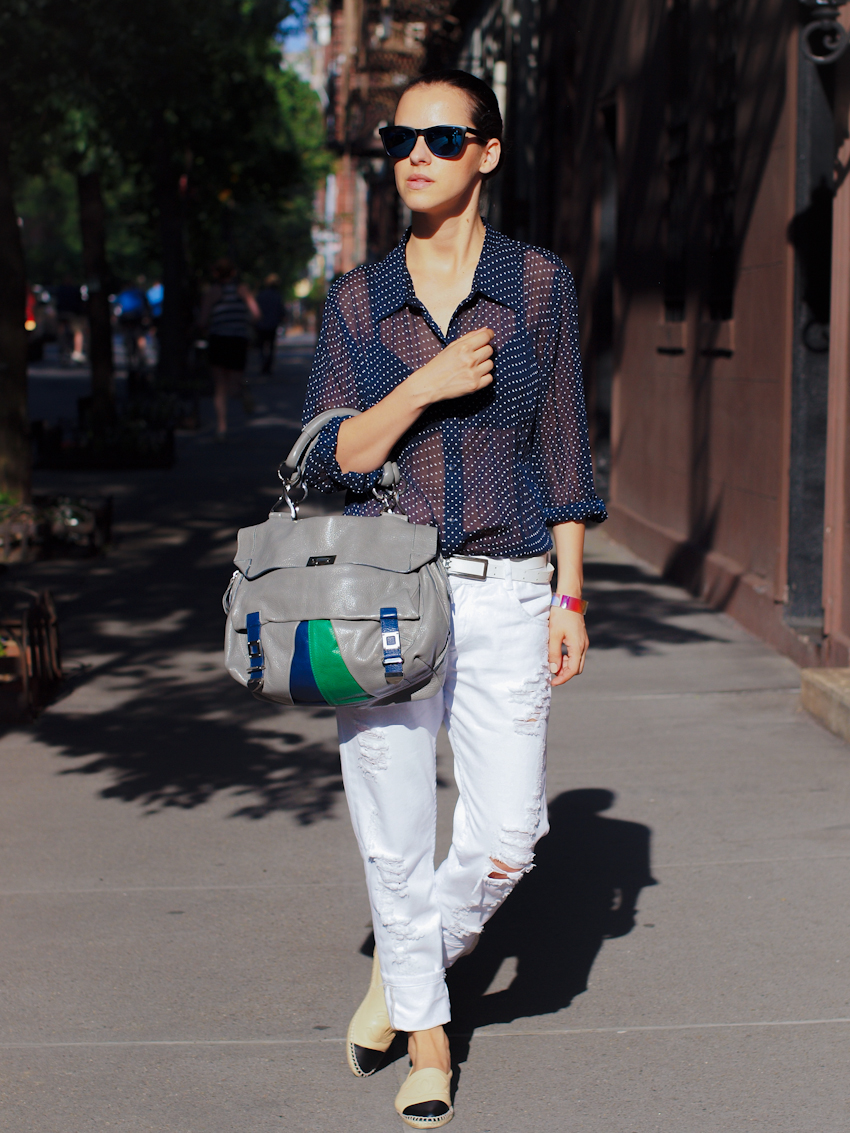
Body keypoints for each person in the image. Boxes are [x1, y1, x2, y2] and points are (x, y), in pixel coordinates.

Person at [301, 70, 606, 1128]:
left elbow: (563, 438)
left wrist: (571, 594)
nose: (415, 153)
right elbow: (325, 457)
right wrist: (422, 386)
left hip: (509, 582)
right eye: (398, 137)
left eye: (441, 135)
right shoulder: (355, 301)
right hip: (380, 584)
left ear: (488, 152)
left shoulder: (536, 286)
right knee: (392, 826)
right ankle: (431, 1042)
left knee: (510, 832)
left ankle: (405, 960)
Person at [198, 259, 260, 439]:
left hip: (218, 340)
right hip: (238, 341)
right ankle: (240, 398)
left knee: (220, 386)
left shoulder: (212, 293)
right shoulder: (242, 290)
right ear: (233, 273)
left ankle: (222, 426)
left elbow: (202, 320)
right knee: (233, 384)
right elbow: (256, 315)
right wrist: (243, 322)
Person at [255, 272, 284, 375]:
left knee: (262, 346)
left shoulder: (261, 295)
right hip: (272, 324)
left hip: (261, 324)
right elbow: (281, 311)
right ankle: (268, 365)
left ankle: (264, 364)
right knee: (271, 346)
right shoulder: (277, 296)